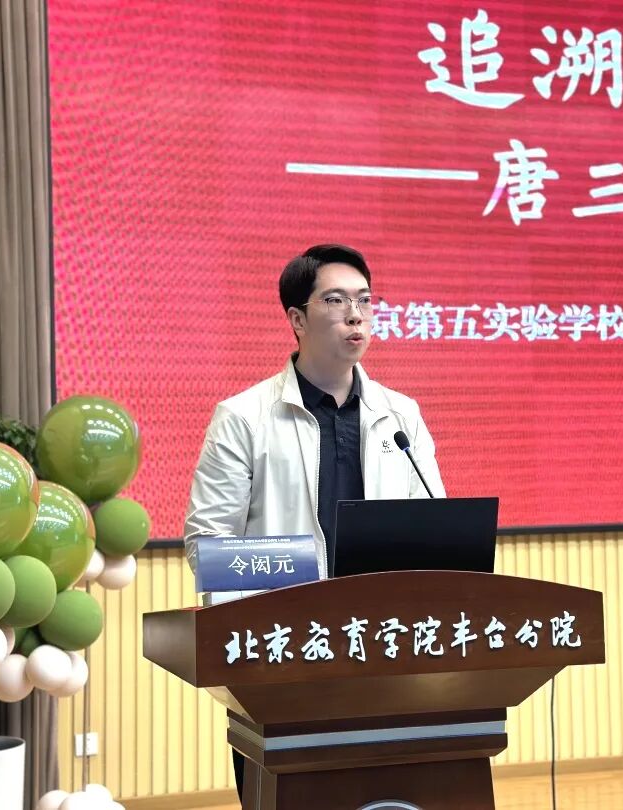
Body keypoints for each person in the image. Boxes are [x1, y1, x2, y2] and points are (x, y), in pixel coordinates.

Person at [182, 243, 446, 798]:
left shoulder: (401, 415)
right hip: (283, 649)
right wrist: (293, 580)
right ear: (297, 319)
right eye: (336, 300)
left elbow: (432, 527)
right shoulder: (244, 418)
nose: (356, 315)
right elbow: (208, 545)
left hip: (385, 643)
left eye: (365, 300)